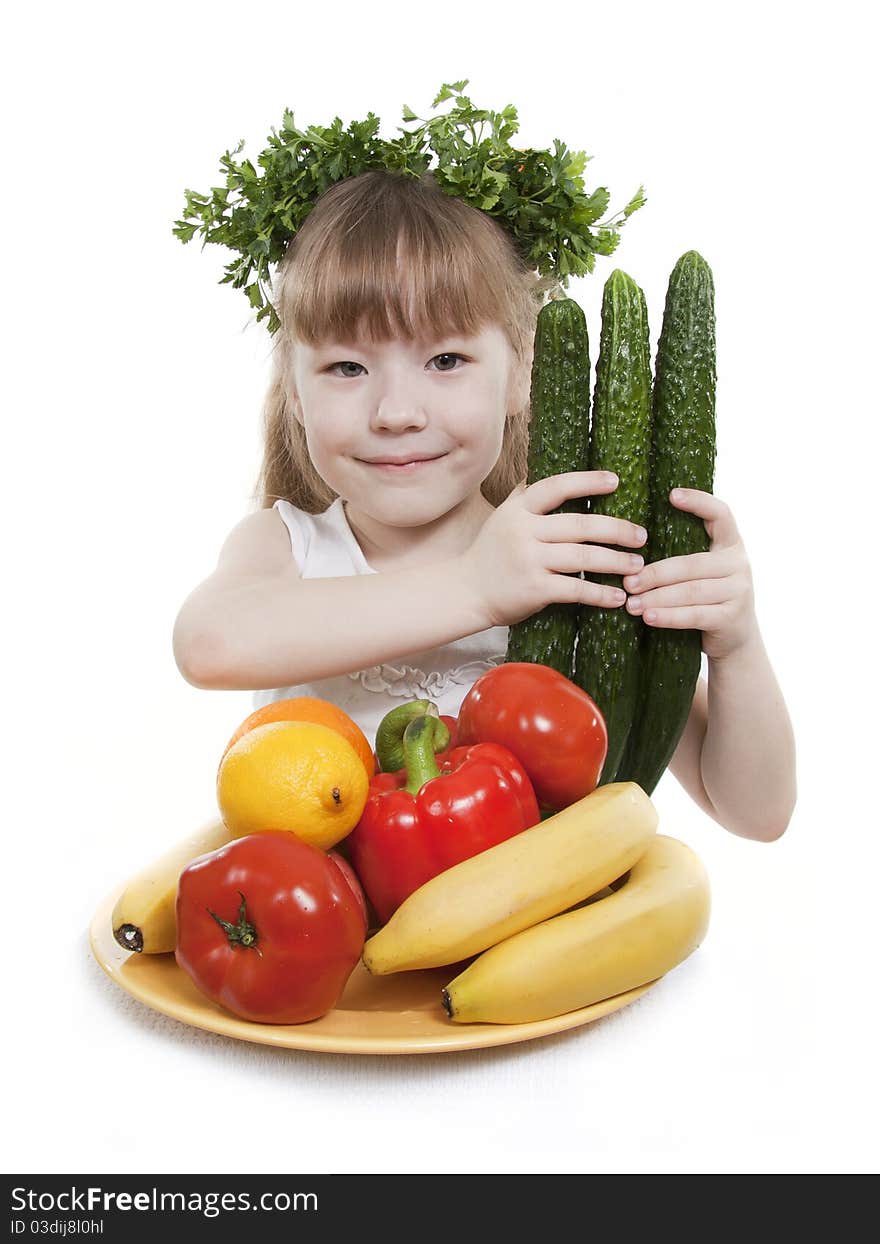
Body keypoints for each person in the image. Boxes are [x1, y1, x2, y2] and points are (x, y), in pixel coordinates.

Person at [172, 169, 796, 843]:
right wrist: (478, 586)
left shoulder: (573, 558)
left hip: (527, 937)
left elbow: (756, 812)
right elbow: (209, 643)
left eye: (445, 359)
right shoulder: (287, 545)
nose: (397, 413)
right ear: (295, 392)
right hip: (320, 935)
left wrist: (735, 644)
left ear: (520, 374)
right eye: (347, 368)